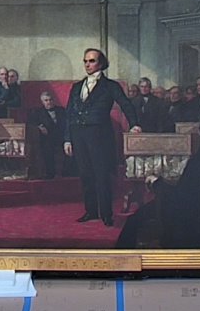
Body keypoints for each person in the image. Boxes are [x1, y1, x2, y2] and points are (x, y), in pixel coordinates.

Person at [63, 48, 142, 227]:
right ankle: (91, 211)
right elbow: (69, 114)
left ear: (101, 64)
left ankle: (106, 214)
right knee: (85, 174)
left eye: (91, 61)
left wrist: (134, 124)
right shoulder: (77, 86)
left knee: (101, 175)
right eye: (85, 61)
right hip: (78, 135)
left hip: (99, 136)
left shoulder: (110, 86)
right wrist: (67, 138)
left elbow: (125, 104)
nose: (87, 64)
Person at [27, 90, 64, 179]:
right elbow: (31, 122)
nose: (49, 102)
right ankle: (50, 174)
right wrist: (39, 127)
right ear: (42, 102)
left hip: (61, 138)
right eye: (46, 100)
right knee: (47, 150)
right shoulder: (38, 112)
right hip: (46, 139)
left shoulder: (61, 110)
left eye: (50, 100)